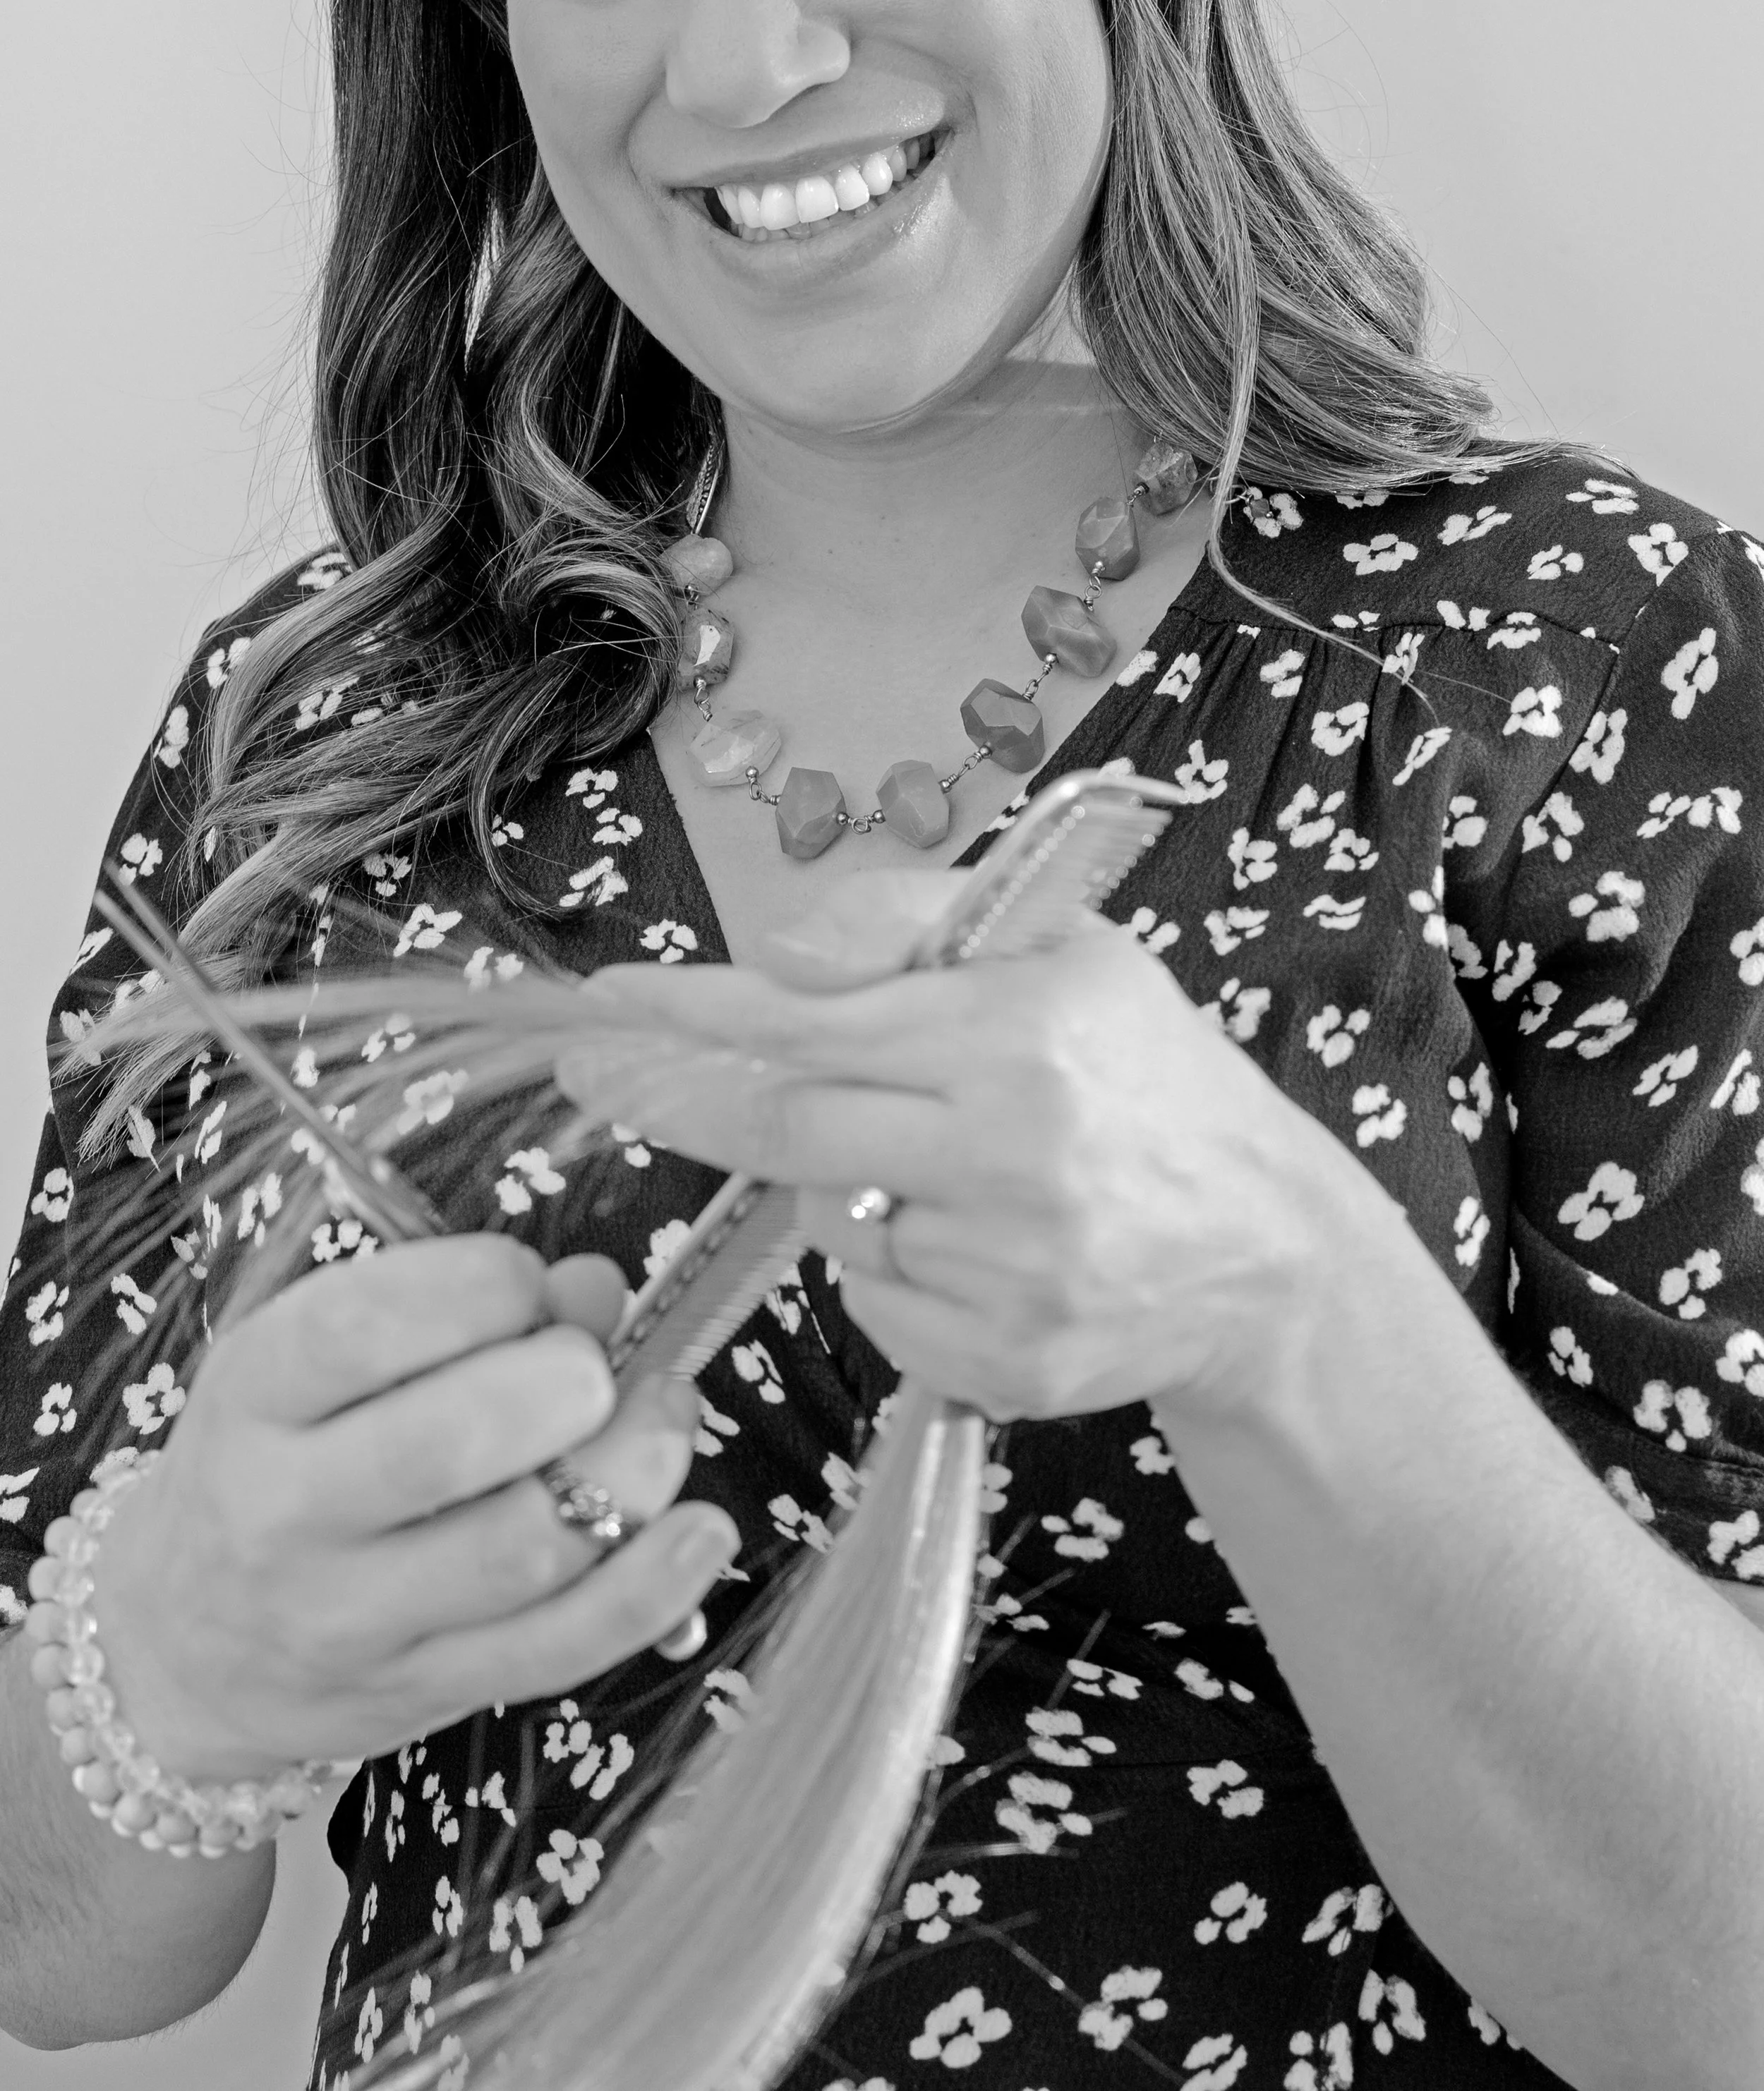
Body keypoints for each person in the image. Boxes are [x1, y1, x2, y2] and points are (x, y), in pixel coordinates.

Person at [4, 2, 1764, 2087]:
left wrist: (1287, 1303)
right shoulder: (315, 743)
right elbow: (64, 1953)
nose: (748, 63)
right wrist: (179, 1663)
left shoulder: (1592, 659)